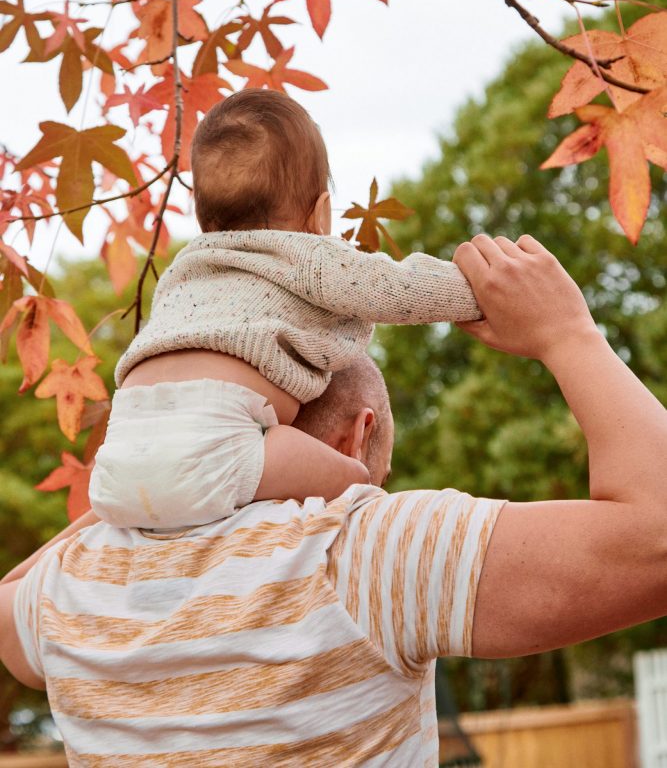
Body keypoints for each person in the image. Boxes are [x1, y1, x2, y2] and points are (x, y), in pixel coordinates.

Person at [1, 233, 667, 766]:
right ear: (360, 435)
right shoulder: (358, 553)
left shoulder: (73, 586)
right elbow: (656, 541)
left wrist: (148, 490)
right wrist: (567, 333)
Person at [89, 88, 481, 530]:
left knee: (126, 512)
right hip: (217, 442)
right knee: (356, 480)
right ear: (321, 214)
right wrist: (480, 290)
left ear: (203, 217)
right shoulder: (305, 255)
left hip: (118, 455)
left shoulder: (184, 268)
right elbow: (396, 289)